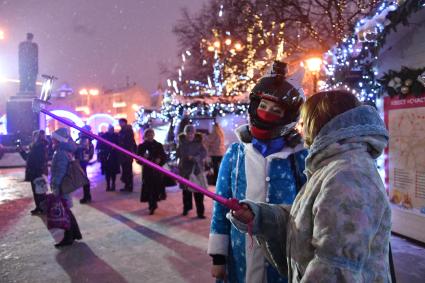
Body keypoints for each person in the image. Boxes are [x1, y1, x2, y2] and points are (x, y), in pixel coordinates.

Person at [229, 91, 392, 282]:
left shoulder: (347, 174)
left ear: (320, 123)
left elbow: (334, 269)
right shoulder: (335, 166)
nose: (300, 127)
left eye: (304, 121)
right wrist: (262, 216)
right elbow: (314, 219)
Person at [208, 61, 307, 283]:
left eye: (276, 110)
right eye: (264, 106)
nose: (267, 114)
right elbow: (221, 204)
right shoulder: (236, 154)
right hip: (240, 253)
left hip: (285, 250)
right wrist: (218, 257)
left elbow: (309, 206)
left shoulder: (299, 157)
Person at [50, 128, 82, 247]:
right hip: (63, 185)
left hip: (62, 186)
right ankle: (74, 234)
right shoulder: (61, 151)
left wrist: (55, 186)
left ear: (58, 140)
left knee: (65, 212)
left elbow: (60, 171)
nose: (51, 140)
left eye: (53, 138)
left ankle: (69, 237)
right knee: (66, 211)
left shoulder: (61, 153)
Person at [176, 124, 207, 219]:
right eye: (188, 133)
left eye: (191, 133)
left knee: (198, 192)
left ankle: (200, 212)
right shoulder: (181, 144)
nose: (190, 135)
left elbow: (203, 153)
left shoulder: (199, 143)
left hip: (197, 170)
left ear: (194, 133)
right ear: (185, 134)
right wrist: (186, 157)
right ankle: (186, 208)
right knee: (186, 192)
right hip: (185, 171)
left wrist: (195, 158)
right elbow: (179, 154)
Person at [137, 128, 167, 215]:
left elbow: (164, 157)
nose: (150, 137)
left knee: (156, 187)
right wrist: (143, 158)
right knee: (149, 188)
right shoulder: (142, 146)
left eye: (151, 135)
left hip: (157, 171)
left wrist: (160, 160)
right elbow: (138, 159)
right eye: (148, 135)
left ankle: (154, 202)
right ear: (145, 136)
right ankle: (152, 205)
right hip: (147, 171)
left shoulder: (158, 145)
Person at [19, 130, 48, 215]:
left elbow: (40, 160)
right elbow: (27, 158)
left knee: (40, 190)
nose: (33, 138)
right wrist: (21, 151)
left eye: (35, 136)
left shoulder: (40, 147)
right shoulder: (34, 147)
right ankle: (38, 207)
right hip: (32, 172)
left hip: (37, 171)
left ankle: (43, 207)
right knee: (35, 190)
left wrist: (39, 169)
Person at [98, 125, 121, 191]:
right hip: (106, 156)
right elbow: (100, 145)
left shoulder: (116, 136)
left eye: (112, 129)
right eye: (111, 129)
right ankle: (108, 185)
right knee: (107, 172)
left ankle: (113, 184)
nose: (111, 130)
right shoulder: (104, 136)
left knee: (113, 172)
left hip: (114, 156)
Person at [75, 125, 94, 204]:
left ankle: (87, 196)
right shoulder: (85, 138)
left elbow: (82, 148)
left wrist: (75, 145)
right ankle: (87, 196)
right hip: (82, 159)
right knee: (84, 177)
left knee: (84, 178)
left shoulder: (85, 139)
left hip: (82, 159)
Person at [118, 118, 137, 192]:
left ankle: (129, 186)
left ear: (124, 123)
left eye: (120, 122)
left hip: (127, 154)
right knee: (125, 170)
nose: (119, 124)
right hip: (123, 154)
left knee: (128, 170)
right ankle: (127, 185)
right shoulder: (122, 131)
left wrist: (129, 152)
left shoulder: (128, 131)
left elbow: (129, 142)